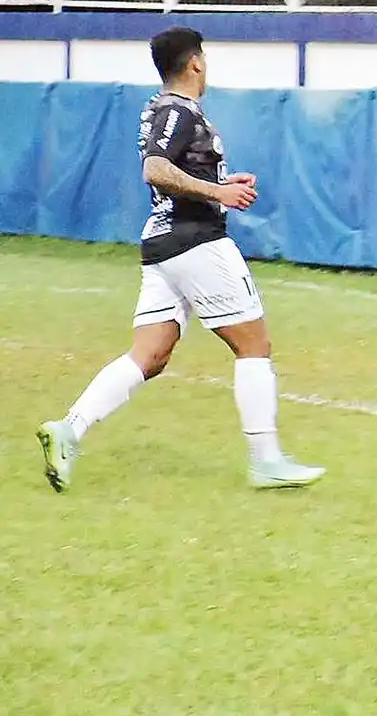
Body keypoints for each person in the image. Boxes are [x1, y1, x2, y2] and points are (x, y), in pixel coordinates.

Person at [36, 27, 325, 492]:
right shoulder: (176, 109)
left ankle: (69, 428)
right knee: (254, 345)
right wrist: (219, 193)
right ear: (195, 62)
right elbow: (156, 168)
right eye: (204, 57)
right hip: (197, 243)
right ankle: (266, 459)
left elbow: (175, 167)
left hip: (165, 246)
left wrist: (223, 180)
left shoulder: (164, 111)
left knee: (149, 355)